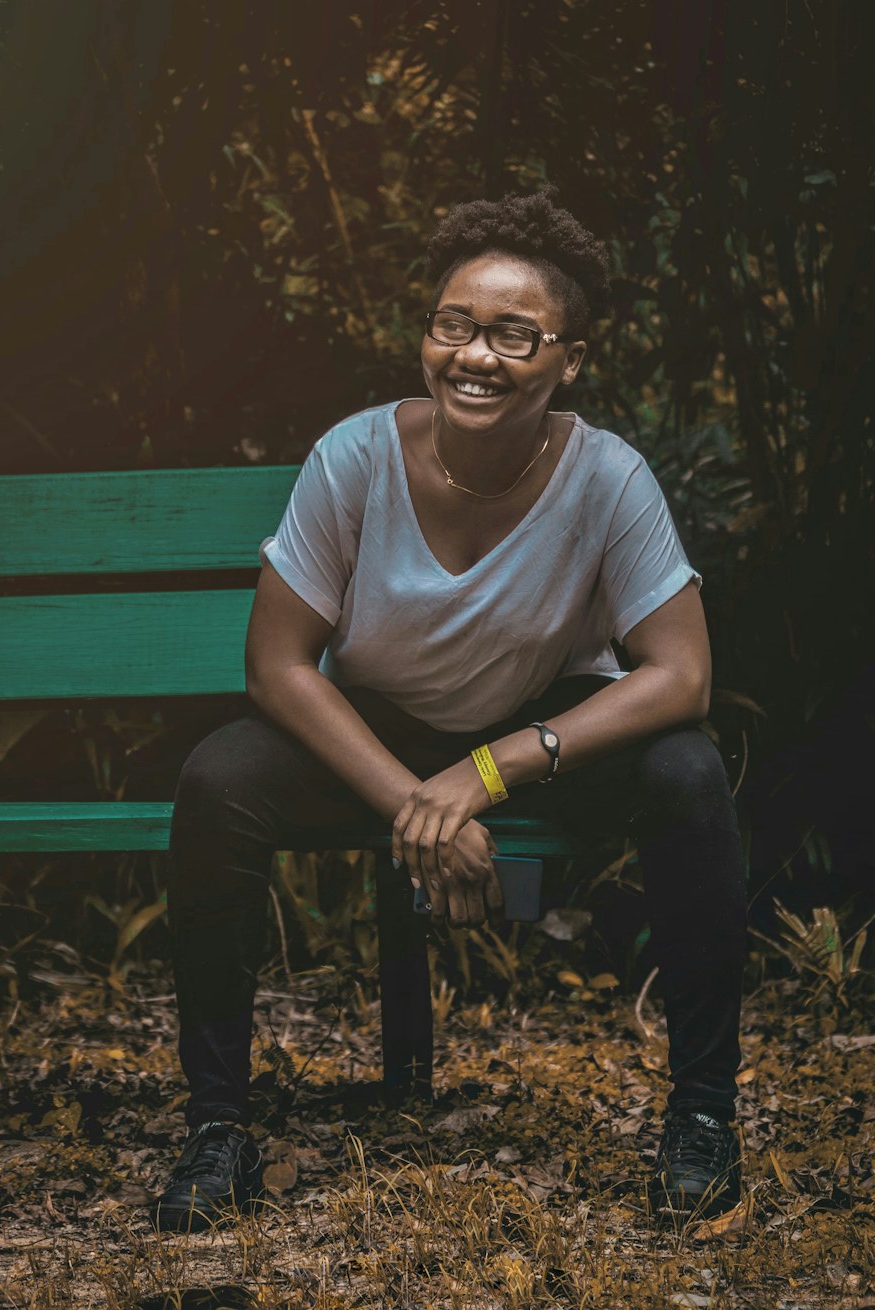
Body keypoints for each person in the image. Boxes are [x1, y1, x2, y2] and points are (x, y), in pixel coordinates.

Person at [153, 191, 747, 1233]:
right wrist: (416, 800)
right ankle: (217, 1127)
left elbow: (679, 676)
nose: (474, 355)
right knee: (217, 779)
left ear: (568, 358)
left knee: (686, 770)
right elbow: (279, 665)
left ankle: (700, 1114)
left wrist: (484, 775)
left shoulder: (608, 478)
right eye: (452, 324)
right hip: (377, 727)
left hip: (530, 725)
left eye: (513, 334)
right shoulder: (354, 456)